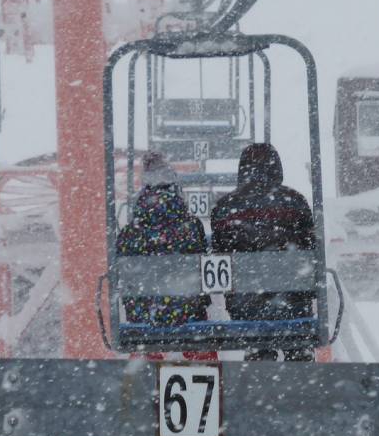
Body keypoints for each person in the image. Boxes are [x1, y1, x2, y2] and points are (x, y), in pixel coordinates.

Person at [211, 143, 316, 362]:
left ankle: (259, 362)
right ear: (276, 167)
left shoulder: (225, 207)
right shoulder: (295, 202)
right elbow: (310, 250)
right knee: (298, 348)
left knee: (257, 345)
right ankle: (301, 367)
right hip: (294, 304)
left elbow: (221, 256)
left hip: (247, 308)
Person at [116, 152, 209, 327]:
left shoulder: (131, 233)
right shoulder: (191, 227)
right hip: (189, 317)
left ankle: (148, 352)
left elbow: (123, 269)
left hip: (143, 320)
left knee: (144, 346)